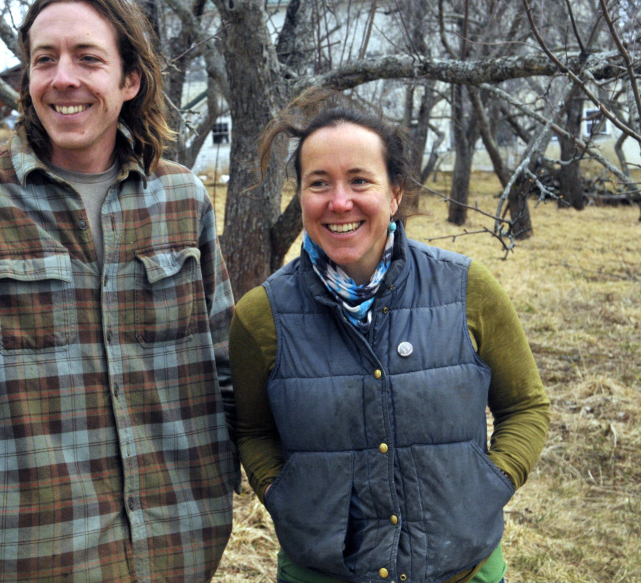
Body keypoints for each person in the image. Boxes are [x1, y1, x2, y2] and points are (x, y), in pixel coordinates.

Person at [0, 0, 237, 583]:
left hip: (182, 548)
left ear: (130, 80)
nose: (63, 78)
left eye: (88, 58)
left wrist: (218, 481)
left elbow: (223, 365)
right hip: (31, 558)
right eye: (44, 60)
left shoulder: (183, 199)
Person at [230, 94, 550, 583]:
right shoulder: (261, 316)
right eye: (319, 184)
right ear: (300, 197)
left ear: (395, 192)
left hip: (464, 572)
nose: (340, 202)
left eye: (360, 180)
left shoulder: (466, 289)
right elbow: (253, 431)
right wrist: (281, 493)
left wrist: (490, 483)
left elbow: (527, 406)